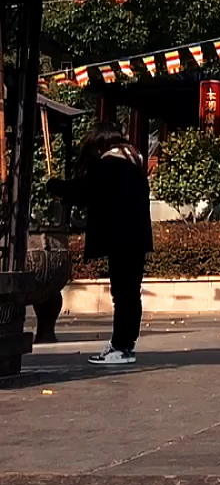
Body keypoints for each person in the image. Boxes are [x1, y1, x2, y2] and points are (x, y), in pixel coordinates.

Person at [50, 124, 152, 367]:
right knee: (130, 293)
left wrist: (54, 186)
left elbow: (85, 191)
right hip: (136, 238)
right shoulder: (133, 162)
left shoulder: (111, 164)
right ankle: (125, 343)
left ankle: (122, 346)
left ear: (101, 144)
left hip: (121, 238)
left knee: (123, 294)